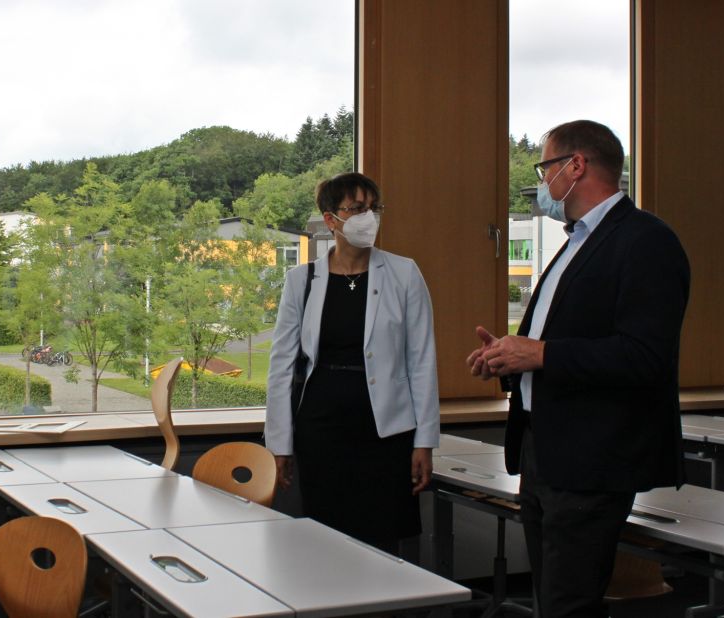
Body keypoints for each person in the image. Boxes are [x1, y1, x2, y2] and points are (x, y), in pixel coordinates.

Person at [466, 120, 690, 617]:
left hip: (593, 457)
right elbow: (559, 340)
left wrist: (540, 355)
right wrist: (507, 359)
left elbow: (646, 357)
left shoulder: (646, 241)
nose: (542, 182)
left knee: (570, 605)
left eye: (545, 167)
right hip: (542, 448)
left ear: (576, 165)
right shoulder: (576, 243)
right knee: (554, 600)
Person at [265, 172, 439, 553]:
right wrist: (280, 444)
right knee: (324, 539)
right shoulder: (301, 279)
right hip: (322, 428)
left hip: (385, 431)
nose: (368, 217)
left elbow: (422, 360)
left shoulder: (404, 273)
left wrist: (424, 441)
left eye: (374, 208)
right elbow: (281, 365)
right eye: (357, 209)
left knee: (382, 540)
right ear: (331, 219)